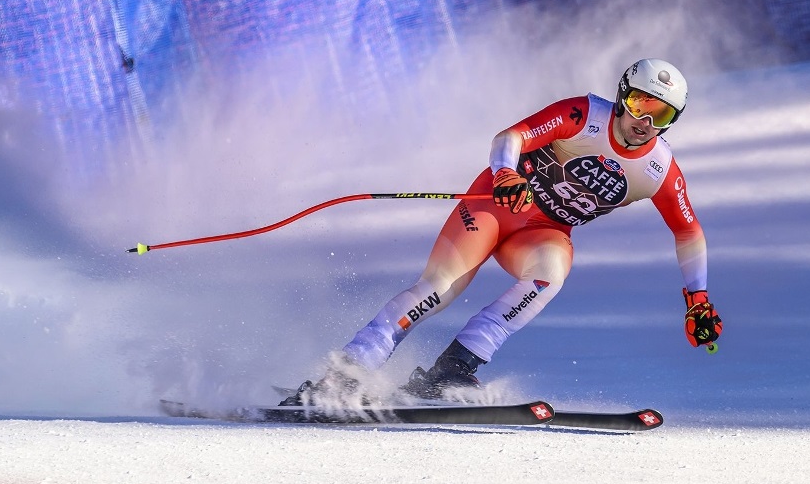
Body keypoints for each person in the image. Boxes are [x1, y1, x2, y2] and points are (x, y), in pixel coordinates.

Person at [281, 57, 721, 406]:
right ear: (623, 95)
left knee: (550, 276)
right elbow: (510, 136)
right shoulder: (584, 114)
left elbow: (688, 231)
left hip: (544, 230)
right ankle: (349, 370)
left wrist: (696, 298)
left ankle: (454, 367)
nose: (644, 120)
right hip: (497, 204)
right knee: (439, 289)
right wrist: (506, 174)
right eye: (640, 103)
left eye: (660, 112)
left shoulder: (659, 168)